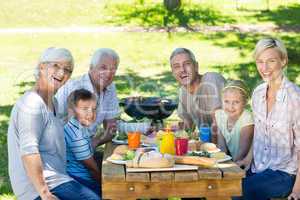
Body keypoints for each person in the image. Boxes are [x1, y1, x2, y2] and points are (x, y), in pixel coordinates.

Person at [7, 47, 99, 200]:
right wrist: (44, 194)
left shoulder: (53, 102)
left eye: (67, 70)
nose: (61, 73)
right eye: (55, 66)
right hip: (38, 188)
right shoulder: (32, 104)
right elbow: (29, 152)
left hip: (58, 178)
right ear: (41, 66)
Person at [240, 38, 300, 200]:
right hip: (257, 167)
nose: (264, 68)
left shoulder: (295, 97)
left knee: (238, 192)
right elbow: (260, 134)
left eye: (271, 61)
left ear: (283, 61)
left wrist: (297, 189)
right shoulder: (258, 93)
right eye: (260, 62)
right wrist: (247, 159)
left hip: (284, 173)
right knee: (218, 186)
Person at [55, 48, 120, 142]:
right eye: (103, 68)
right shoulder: (76, 88)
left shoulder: (110, 87)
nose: (108, 74)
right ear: (91, 68)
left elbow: (111, 128)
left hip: (85, 147)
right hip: (62, 147)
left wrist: (95, 143)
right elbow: (74, 136)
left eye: (113, 69)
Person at [170, 48, 225, 142]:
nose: (182, 69)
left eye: (187, 64)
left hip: (230, 150)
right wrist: (169, 133)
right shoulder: (183, 92)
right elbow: (188, 127)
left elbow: (218, 124)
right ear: (173, 73)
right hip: (210, 148)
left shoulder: (211, 80)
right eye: (177, 66)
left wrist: (212, 154)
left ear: (196, 66)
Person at [65, 89, 109, 197]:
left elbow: (88, 146)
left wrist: (99, 138)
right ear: (72, 110)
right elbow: (92, 169)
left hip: (75, 172)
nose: (91, 114)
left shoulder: (74, 125)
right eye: (85, 109)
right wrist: (105, 185)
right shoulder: (77, 137)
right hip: (81, 179)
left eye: (93, 109)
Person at [215, 80, 254, 164]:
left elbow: (242, 152)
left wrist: (229, 167)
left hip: (247, 164)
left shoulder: (247, 118)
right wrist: (221, 164)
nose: (230, 107)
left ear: (245, 102)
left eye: (236, 102)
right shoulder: (220, 115)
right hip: (233, 161)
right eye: (226, 101)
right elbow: (222, 147)